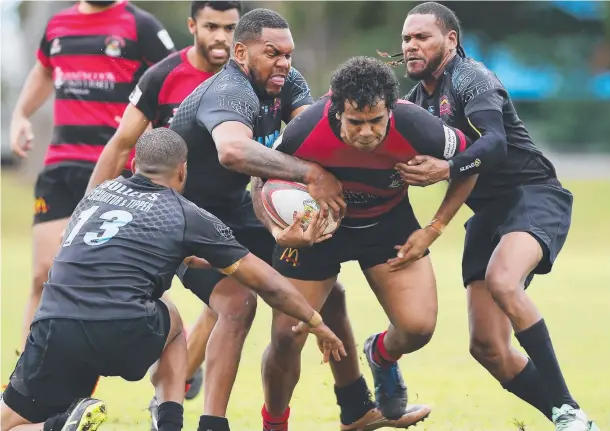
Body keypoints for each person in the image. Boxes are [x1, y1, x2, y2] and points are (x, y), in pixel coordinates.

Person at [89, 8, 404, 431]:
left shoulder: (286, 82)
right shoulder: (228, 92)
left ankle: (355, 409)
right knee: (236, 303)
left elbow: (308, 135)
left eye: (288, 54)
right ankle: (208, 421)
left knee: (328, 290)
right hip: (174, 214)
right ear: (241, 53)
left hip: (234, 208)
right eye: (272, 53)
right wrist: (310, 175)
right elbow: (233, 152)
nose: (284, 63)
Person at [0, 128, 345, 431]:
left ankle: (53, 427)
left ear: (134, 165)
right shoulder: (185, 214)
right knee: (172, 314)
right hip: (123, 328)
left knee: (8, 420)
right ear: (183, 171)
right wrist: (316, 321)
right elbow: (266, 282)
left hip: (53, 327)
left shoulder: (96, 194)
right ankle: (168, 422)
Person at [394, 2, 600, 430]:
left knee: (505, 282)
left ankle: (565, 407)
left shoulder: (473, 78)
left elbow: (495, 144)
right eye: (406, 39)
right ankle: (574, 422)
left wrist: (447, 168)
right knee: (487, 346)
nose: (411, 45)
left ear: (450, 40)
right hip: (487, 213)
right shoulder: (416, 101)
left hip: (533, 195)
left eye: (422, 37)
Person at [254, 56, 478, 431]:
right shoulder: (304, 128)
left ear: (391, 109)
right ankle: (274, 425)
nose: (367, 132)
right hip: (317, 233)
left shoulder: (417, 124)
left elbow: (471, 161)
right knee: (286, 337)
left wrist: (434, 227)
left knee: (418, 328)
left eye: (376, 120)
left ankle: (381, 354)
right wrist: (277, 230)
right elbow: (260, 179)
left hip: (387, 226)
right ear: (336, 110)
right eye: (355, 122)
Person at [87, 0, 242, 415]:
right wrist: (88, 210)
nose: (221, 38)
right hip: (169, 218)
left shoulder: (246, 77)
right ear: (192, 25)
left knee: (232, 302)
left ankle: (172, 389)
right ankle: (79, 393)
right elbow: (120, 145)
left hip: (231, 216)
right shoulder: (162, 76)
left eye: (230, 28)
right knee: (229, 300)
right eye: (211, 26)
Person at [9, 0, 176, 352]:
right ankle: (27, 381)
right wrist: (21, 114)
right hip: (61, 165)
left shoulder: (140, 26)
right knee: (44, 274)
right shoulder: (58, 25)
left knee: (122, 283)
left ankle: (177, 356)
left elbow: (174, 79)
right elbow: (43, 69)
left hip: (117, 171)